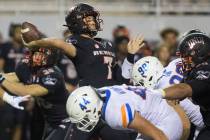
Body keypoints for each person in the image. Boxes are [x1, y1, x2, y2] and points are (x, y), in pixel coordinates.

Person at [23, 3, 144, 140]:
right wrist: (36, 43)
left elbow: (123, 79)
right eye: (88, 18)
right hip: (89, 106)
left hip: (111, 105)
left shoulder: (107, 44)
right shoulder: (76, 41)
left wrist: (130, 56)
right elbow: (59, 43)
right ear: (76, 22)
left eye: (93, 18)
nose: (92, 20)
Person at [145, 29, 210, 140]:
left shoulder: (205, 70)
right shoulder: (196, 70)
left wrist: (158, 93)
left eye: (186, 57)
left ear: (200, 53)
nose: (183, 62)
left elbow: (185, 89)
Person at [0, 47, 70, 140]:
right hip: (48, 120)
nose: (36, 56)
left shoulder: (53, 75)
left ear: (50, 57)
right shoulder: (31, 69)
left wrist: (1, 79)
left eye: (41, 54)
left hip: (65, 121)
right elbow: (11, 78)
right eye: (35, 53)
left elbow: (26, 91)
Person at [66, 85, 183, 140]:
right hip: (158, 114)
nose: (82, 123)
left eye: (83, 118)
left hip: (165, 124)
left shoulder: (114, 114)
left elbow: (159, 135)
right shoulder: (101, 92)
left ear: (91, 109)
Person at [132, 56, 204, 139]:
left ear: (148, 78)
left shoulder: (163, 92)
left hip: (204, 118)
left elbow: (195, 121)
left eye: (140, 84)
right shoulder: (174, 63)